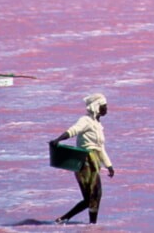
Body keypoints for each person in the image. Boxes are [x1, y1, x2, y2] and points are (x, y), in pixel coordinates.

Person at [50, 93, 115, 225]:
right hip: (85, 161)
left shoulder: (96, 124)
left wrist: (109, 165)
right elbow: (74, 130)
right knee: (94, 195)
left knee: (93, 196)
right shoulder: (85, 120)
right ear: (97, 107)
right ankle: (78, 222)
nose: (106, 109)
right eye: (104, 106)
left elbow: (100, 148)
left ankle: (81, 222)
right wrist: (58, 139)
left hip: (94, 160)